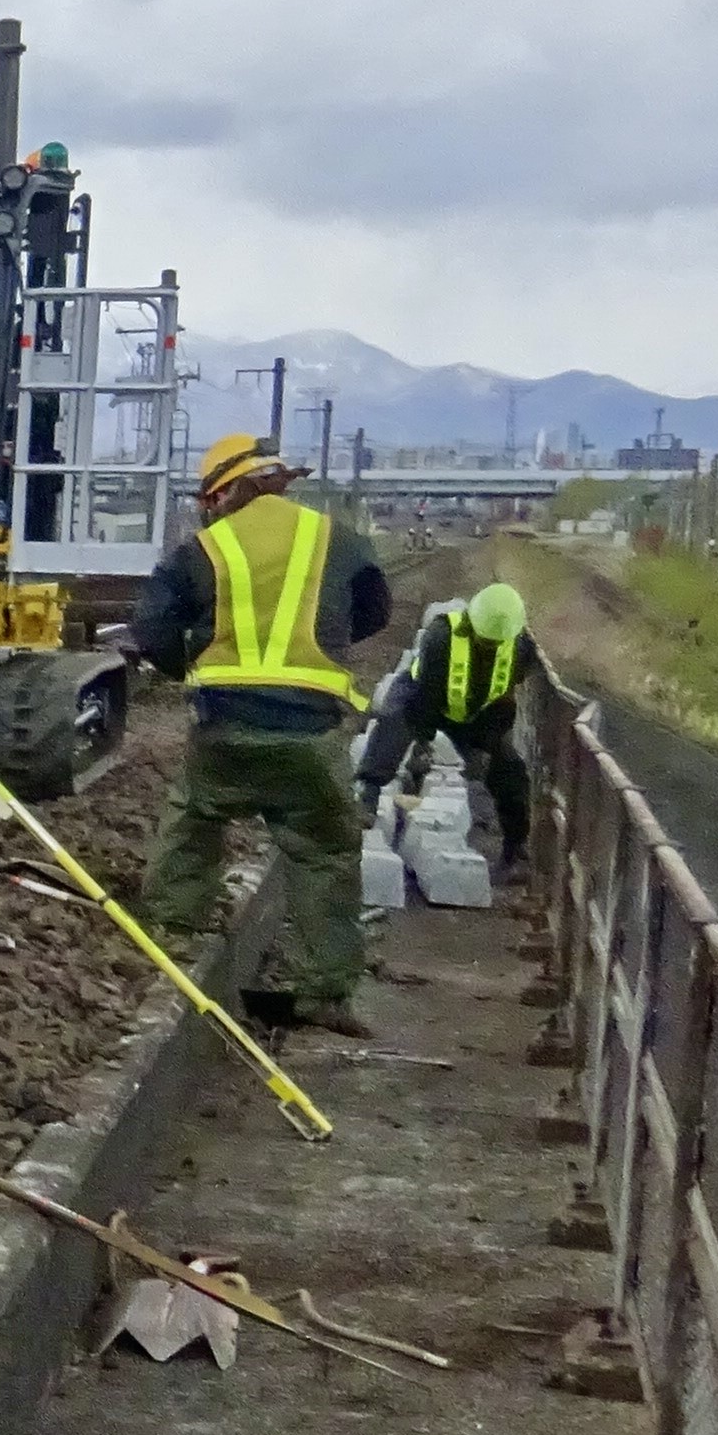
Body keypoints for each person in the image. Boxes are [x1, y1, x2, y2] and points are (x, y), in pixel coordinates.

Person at [131, 430, 391, 1031]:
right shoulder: (339, 539)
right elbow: (374, 611)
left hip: (226, 725)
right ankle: (324, 991)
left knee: (194, 818)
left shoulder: (204, 548)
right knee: (325, 851)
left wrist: (189, 668)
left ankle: (170, 936)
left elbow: (152, 627)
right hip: (312, 733)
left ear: (228, 490)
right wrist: (319, 647)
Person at [354, 580, 546, 872]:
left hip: (475, 710)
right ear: (472, 623)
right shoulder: (441, 636)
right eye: (485, 640)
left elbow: (506, 698)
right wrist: (422, 742)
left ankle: (515, 847)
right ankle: (368, 794)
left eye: (496, 643)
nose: (491, 646)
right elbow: (424, 701)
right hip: (424, 696)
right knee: (394, 722)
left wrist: (486, 746)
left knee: (510, 770)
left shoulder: (519, 647)